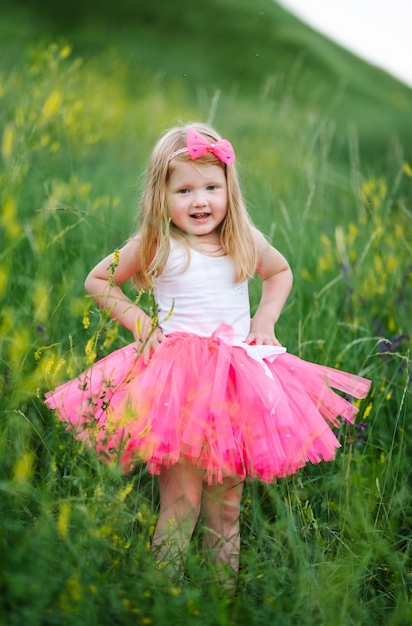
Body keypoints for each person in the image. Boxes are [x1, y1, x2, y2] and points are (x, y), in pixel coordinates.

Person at [45, 122, 371, 592]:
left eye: (212, 187)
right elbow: (99, 281)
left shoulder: (242, 240)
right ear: (162, 195)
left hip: (238, 383)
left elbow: (279, 273)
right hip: (176, 386)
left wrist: (263, 323)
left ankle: (221, 600)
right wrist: (143, 324)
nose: (200, 201)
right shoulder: (156, 244)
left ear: (228, 189)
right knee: (181, 503)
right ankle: (166, 599)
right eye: (185, 189)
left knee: (226, 510)